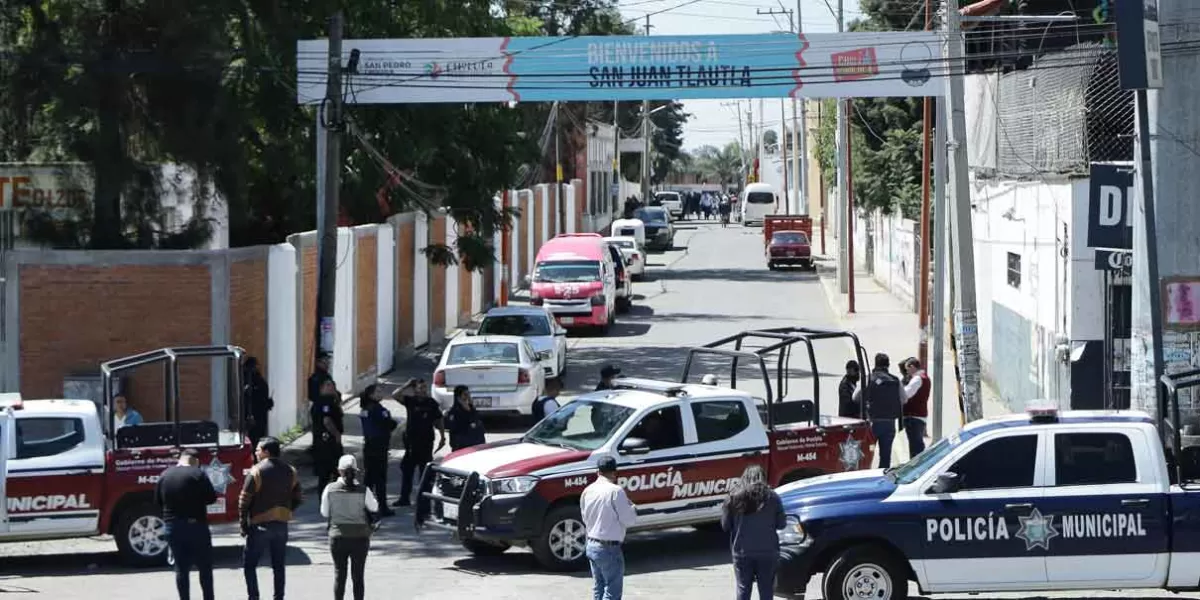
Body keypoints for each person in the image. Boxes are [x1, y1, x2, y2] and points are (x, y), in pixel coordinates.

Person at [239, 437, 303, 600]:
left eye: (258, 450)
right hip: (281, 525)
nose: (255, 452)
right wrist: (287, 510)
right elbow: (298, 497)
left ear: (266, 452)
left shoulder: (256, 471)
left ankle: (254, 597)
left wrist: (243, 523)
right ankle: (278, 597)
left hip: (259, 525)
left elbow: (244, 500)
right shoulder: (291, 471)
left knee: (250, 565)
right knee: (279, 566)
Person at [155, 448, 217, 600]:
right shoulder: (198, 474)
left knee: (181, 569)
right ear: (195, 460)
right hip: (196, 526)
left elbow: (158, 501)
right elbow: (211, 498)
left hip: (173, 527)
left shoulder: (164, 475)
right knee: (205, 569)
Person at [720, 465, 786, 600]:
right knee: (766, 589)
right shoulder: (773, 497)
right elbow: (781, 524)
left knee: (743, 587)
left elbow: (725, 526)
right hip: (768, 551)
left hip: (742, 551)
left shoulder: (733, 496)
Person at [320, 455, 379, 600]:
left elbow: (324, 512)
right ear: (356, 471)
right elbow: (374, 507)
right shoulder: (363, 490)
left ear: (339, 471)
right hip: (360, 538)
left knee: (340, 575)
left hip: (337, 537)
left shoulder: (330, 489)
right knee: (358, 577)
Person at [580, 456, 637, 600]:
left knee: (599, 587)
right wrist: (632, 508)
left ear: (598, 472)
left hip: (592, 545)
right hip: (609, 548)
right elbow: (629, 520)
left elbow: (585, 518)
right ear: (614, 472)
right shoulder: (615, 491)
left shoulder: (588, 490)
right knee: (612, 591)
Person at [393, 379, 446, 508]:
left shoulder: (431, 403)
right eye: (420, 388)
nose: (423, 390)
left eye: (424, 388)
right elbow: (395, 395)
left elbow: (439, 420)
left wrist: (443, 436)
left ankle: (424, 500)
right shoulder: (410, 401)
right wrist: (407, 384)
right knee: (407, 471)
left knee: (425, 472)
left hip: (426, 442)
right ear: (415, 389)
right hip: (411, 443)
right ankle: (404, 498)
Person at [853, 353, 905, 469]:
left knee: (867, 453)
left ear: (876, 364)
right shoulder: (895, 380)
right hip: (890, 424)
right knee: (885, 456)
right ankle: (882, 477)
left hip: (872, 423)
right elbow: (904, 399)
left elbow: (855, 397)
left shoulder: (868, 378)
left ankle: (866, 477)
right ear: (888, 365)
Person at [358, 384, 397, 516]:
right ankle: (382, 506)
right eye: (378, 391)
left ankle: (365, 506)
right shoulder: (377, 409)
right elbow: (389, 424)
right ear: (371, 395)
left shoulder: (365, 408)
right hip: (378, 446)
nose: (381, 393)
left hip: (369, 445)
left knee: (369, 477)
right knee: (380, 477)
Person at [311, 379, 345, 488]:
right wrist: (336, 434)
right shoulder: (324, 402)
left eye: (333, 385)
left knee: (330, 474)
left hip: (324, 442)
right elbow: (327, 421)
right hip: (327, 442)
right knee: (330, 472)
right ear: (321, 388)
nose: (331, 387)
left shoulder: (331, 401)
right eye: (328, 385)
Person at [242, 356, 274, 448]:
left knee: (256, 439)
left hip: (257, 415)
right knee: (254, 439)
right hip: (252, 415)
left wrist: (268, 403)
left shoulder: (258, 381)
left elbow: (263, 399)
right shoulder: (247, 380)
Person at [902, 358, 931, 457]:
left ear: (912, 367)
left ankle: (917, 468)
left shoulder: (917, 379)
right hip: (920, 416)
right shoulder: (925, 378)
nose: (907, 373)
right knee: (917, 443)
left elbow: (906, 394)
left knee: (915, 447)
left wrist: (899, 389)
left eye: (907, 369)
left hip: (913, 416)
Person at [444, 385, 485, 451]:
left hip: (475, 444)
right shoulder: (454, 412)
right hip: (462, 446)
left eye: (469, 394)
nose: (468, 397)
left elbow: (476, 421)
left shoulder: (471, 408)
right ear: (458, 397)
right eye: (465, 395)